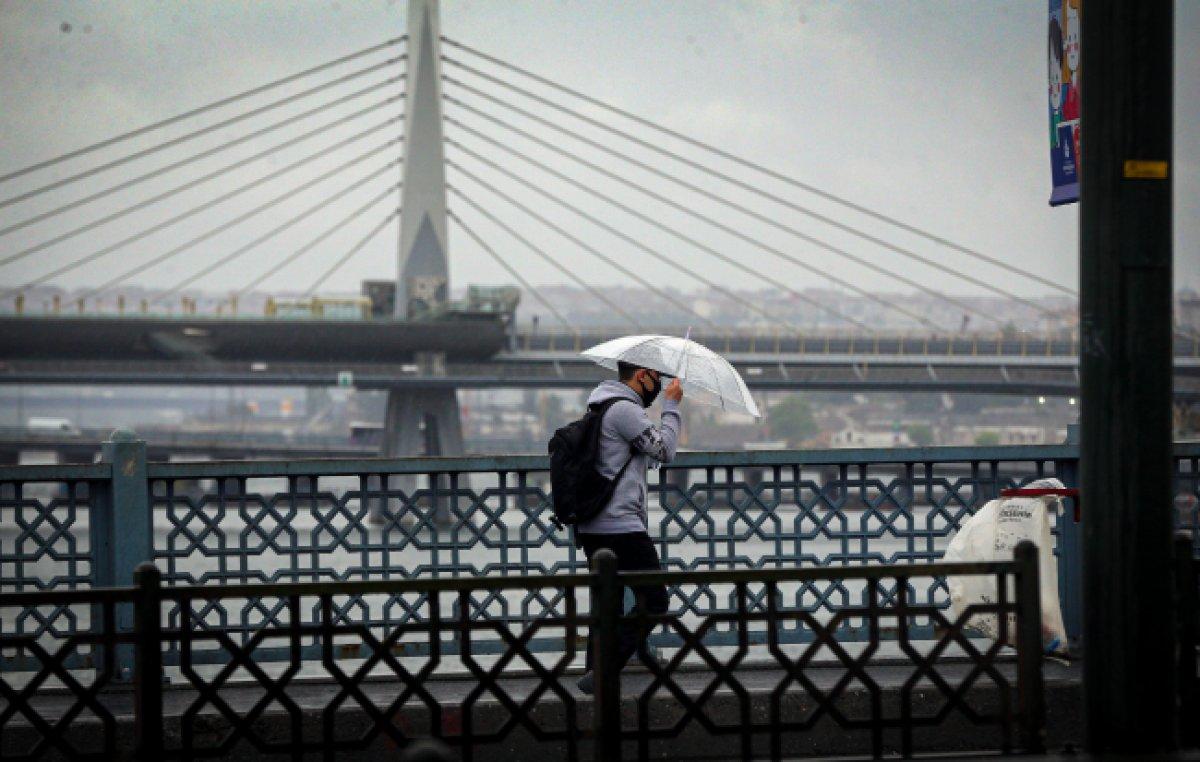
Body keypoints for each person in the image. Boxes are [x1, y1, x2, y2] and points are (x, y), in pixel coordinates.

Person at [575, 361, 683, 695]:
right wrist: (672, 406)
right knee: (654, 600)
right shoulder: (624, 409)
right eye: (657, 378)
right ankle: (604, 671)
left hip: (593, 525)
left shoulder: (600, 405)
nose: (659, 384)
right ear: (641, 376)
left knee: (607, 603)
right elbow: (665, 451)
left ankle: (596, 672)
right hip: (620, 525)